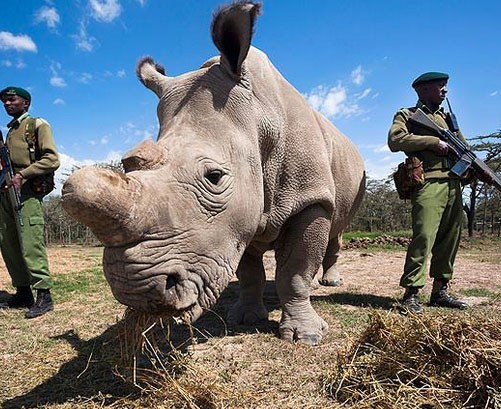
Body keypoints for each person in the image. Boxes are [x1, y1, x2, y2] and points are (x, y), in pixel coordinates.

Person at [387, 72, 471, 314]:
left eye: (446, 86)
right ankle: (411, 294)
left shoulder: (448, 119)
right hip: (429, 184)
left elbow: (464, 149)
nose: (445, 90)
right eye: (440, 86)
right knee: (424, 236)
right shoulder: (409, 115)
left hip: (454, 185)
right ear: (423, 90)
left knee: (450, 239)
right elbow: (395, 140)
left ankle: (440, 291)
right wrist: (432, 143)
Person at [0, 86, 60, 318]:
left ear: (25, 103)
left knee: (30, 242)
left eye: (12, 99)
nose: (7, 104)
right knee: (8, 242)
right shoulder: (10, 131)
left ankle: (44, 295)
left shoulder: (36, 125)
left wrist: (23, 175)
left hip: (27, 193)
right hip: (6, 192)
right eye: (4, 101)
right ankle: (23, 292)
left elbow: (52, 158)